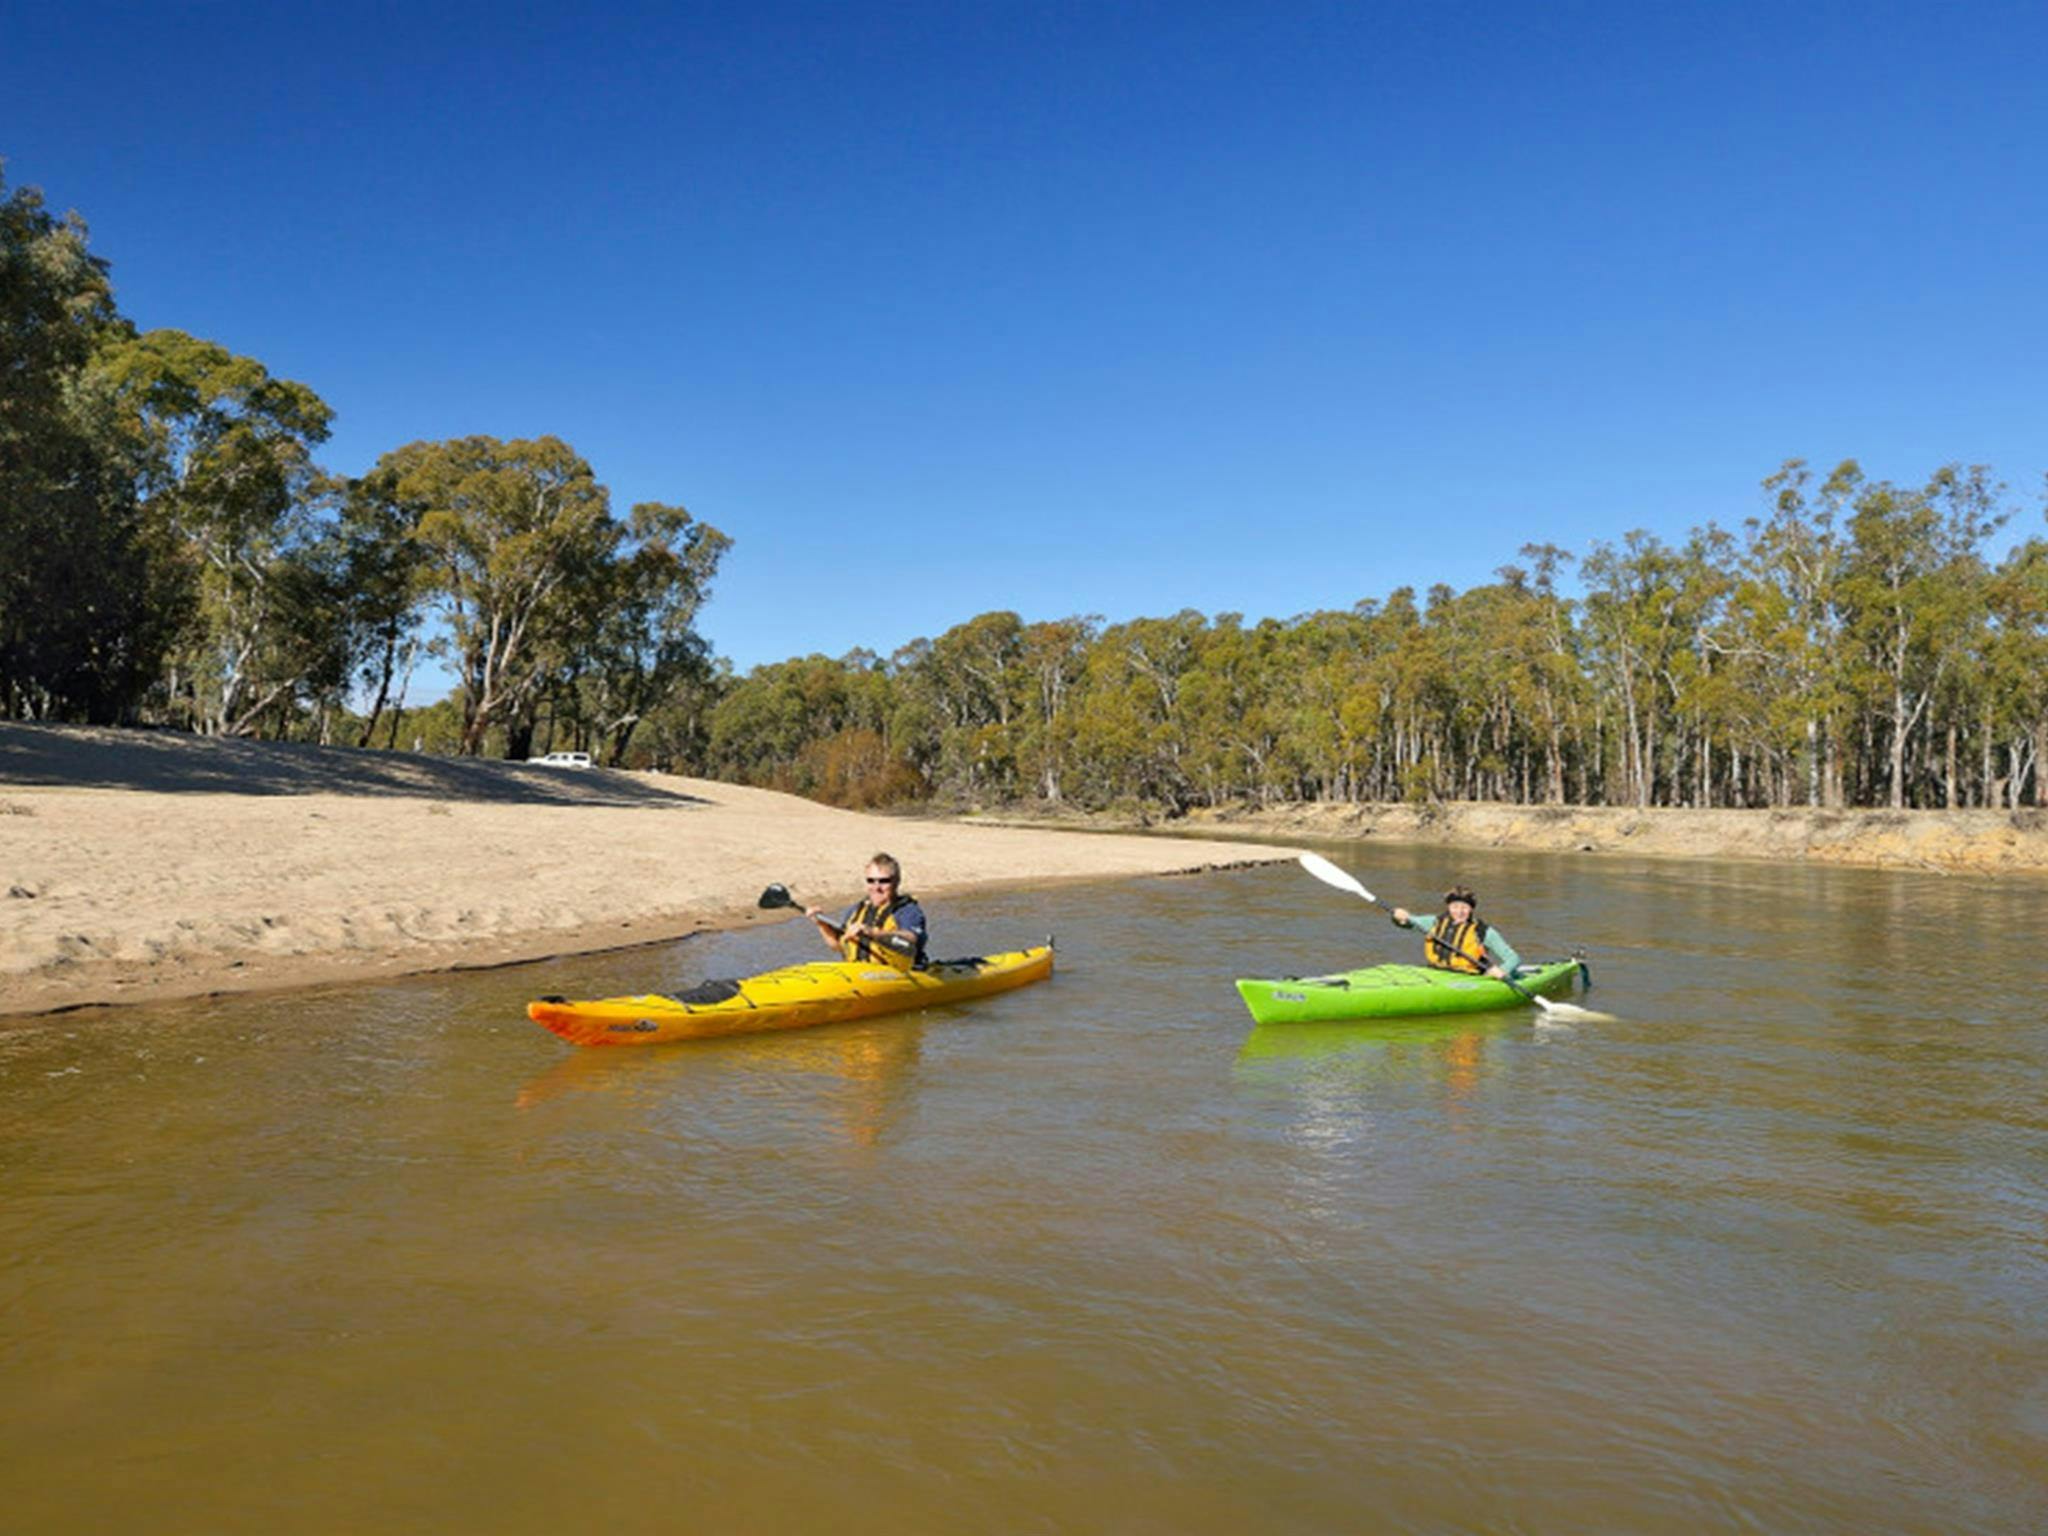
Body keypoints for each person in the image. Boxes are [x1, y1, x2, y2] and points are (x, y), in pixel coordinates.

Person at [806, 853, 928, 971]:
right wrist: (821, 924)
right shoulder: (856, 910)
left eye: (883, 881)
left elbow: (911, 938)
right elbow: (837, 945)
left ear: (896, 881)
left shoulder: (907, 912)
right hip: (860, 974)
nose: (876, 887)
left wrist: (872, 932)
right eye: (871, 881)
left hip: (898, 974)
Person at [1390, 883, 1521, 980]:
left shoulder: (1483, 931)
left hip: (1469, 978)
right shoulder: (1433, 922)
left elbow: (1513, 958)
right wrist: (1399, 917)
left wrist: (1501, 970)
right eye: (1455, 907)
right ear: (1448, 907)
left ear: (1471, 909)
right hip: (1435, 974)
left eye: (1464, 907)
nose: (1459, 912)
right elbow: (1406, 923)